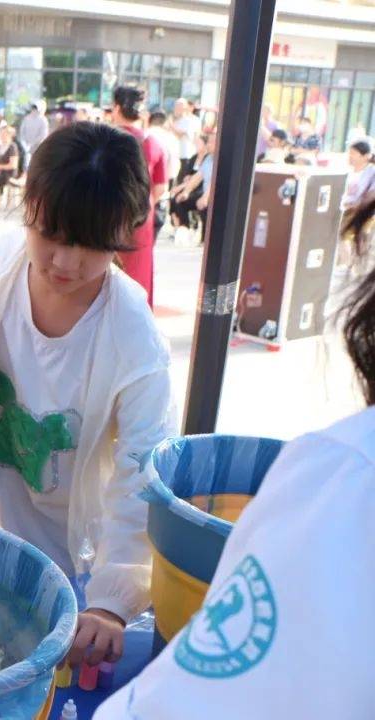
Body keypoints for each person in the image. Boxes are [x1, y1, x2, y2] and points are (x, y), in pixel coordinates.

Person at [94, 196, 375, 720]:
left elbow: (195, 696)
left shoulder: (343, 478)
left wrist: (110, 597)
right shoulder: (339, 472)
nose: (64, 263)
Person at [0, 121, 174, 671]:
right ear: (27, 205)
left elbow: (141, 475)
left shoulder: (133, 337)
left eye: (91, 246)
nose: (65, 263)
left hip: (76, 567)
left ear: (124, 233)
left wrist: (111, 604)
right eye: (51, 235)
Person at [112, 85, 167, 305]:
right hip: (141, 218)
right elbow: (160, 188)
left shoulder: (106, 138)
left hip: (107, 215)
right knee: (138, 280)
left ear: (116, 108)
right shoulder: (152, 143)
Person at [171, 132, 213, 242]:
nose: (208, 145)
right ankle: (185, 230)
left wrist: (205, 197)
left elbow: (214, 182)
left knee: (205, 206)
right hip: (203, 193)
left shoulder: (218, 160)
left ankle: (205, 241)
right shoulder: (208, 159)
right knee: (180, 201)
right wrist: (186, 192)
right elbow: (197, 177)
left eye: (210, 142)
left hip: (211, 195)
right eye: (208, 142)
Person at [146, 111, 180, 240]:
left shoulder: (143, 135)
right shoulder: (170, 138)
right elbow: (174, 169)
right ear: (165, 122)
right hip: (160, 191)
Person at [171, 98, 201, 185]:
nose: (177, 109)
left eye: (179, 106)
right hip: (176, 154)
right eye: (176, 106)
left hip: (187, 154)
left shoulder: (191, 120)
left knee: (182, 178)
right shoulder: (177, 120)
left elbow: (181, 134)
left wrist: (171, 126)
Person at [342, 139, 375, 211]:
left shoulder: (372, 173)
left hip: (360, 215)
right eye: (349, 153)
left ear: (366, 156)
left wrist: (352, 207)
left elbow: (371, 198)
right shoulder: (346, 171)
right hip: (341, 212)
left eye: (353, 153)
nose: (349, 156)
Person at [18, 100, 49, 165]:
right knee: (26, 163)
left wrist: (31, 144)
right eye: (33, 107)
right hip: (26, 147)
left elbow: (43, 135)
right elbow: (22, 133)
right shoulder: (26, 119)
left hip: (37, 147)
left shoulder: (43, 120)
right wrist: (25, 144)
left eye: (35, 107)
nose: (34, 109)